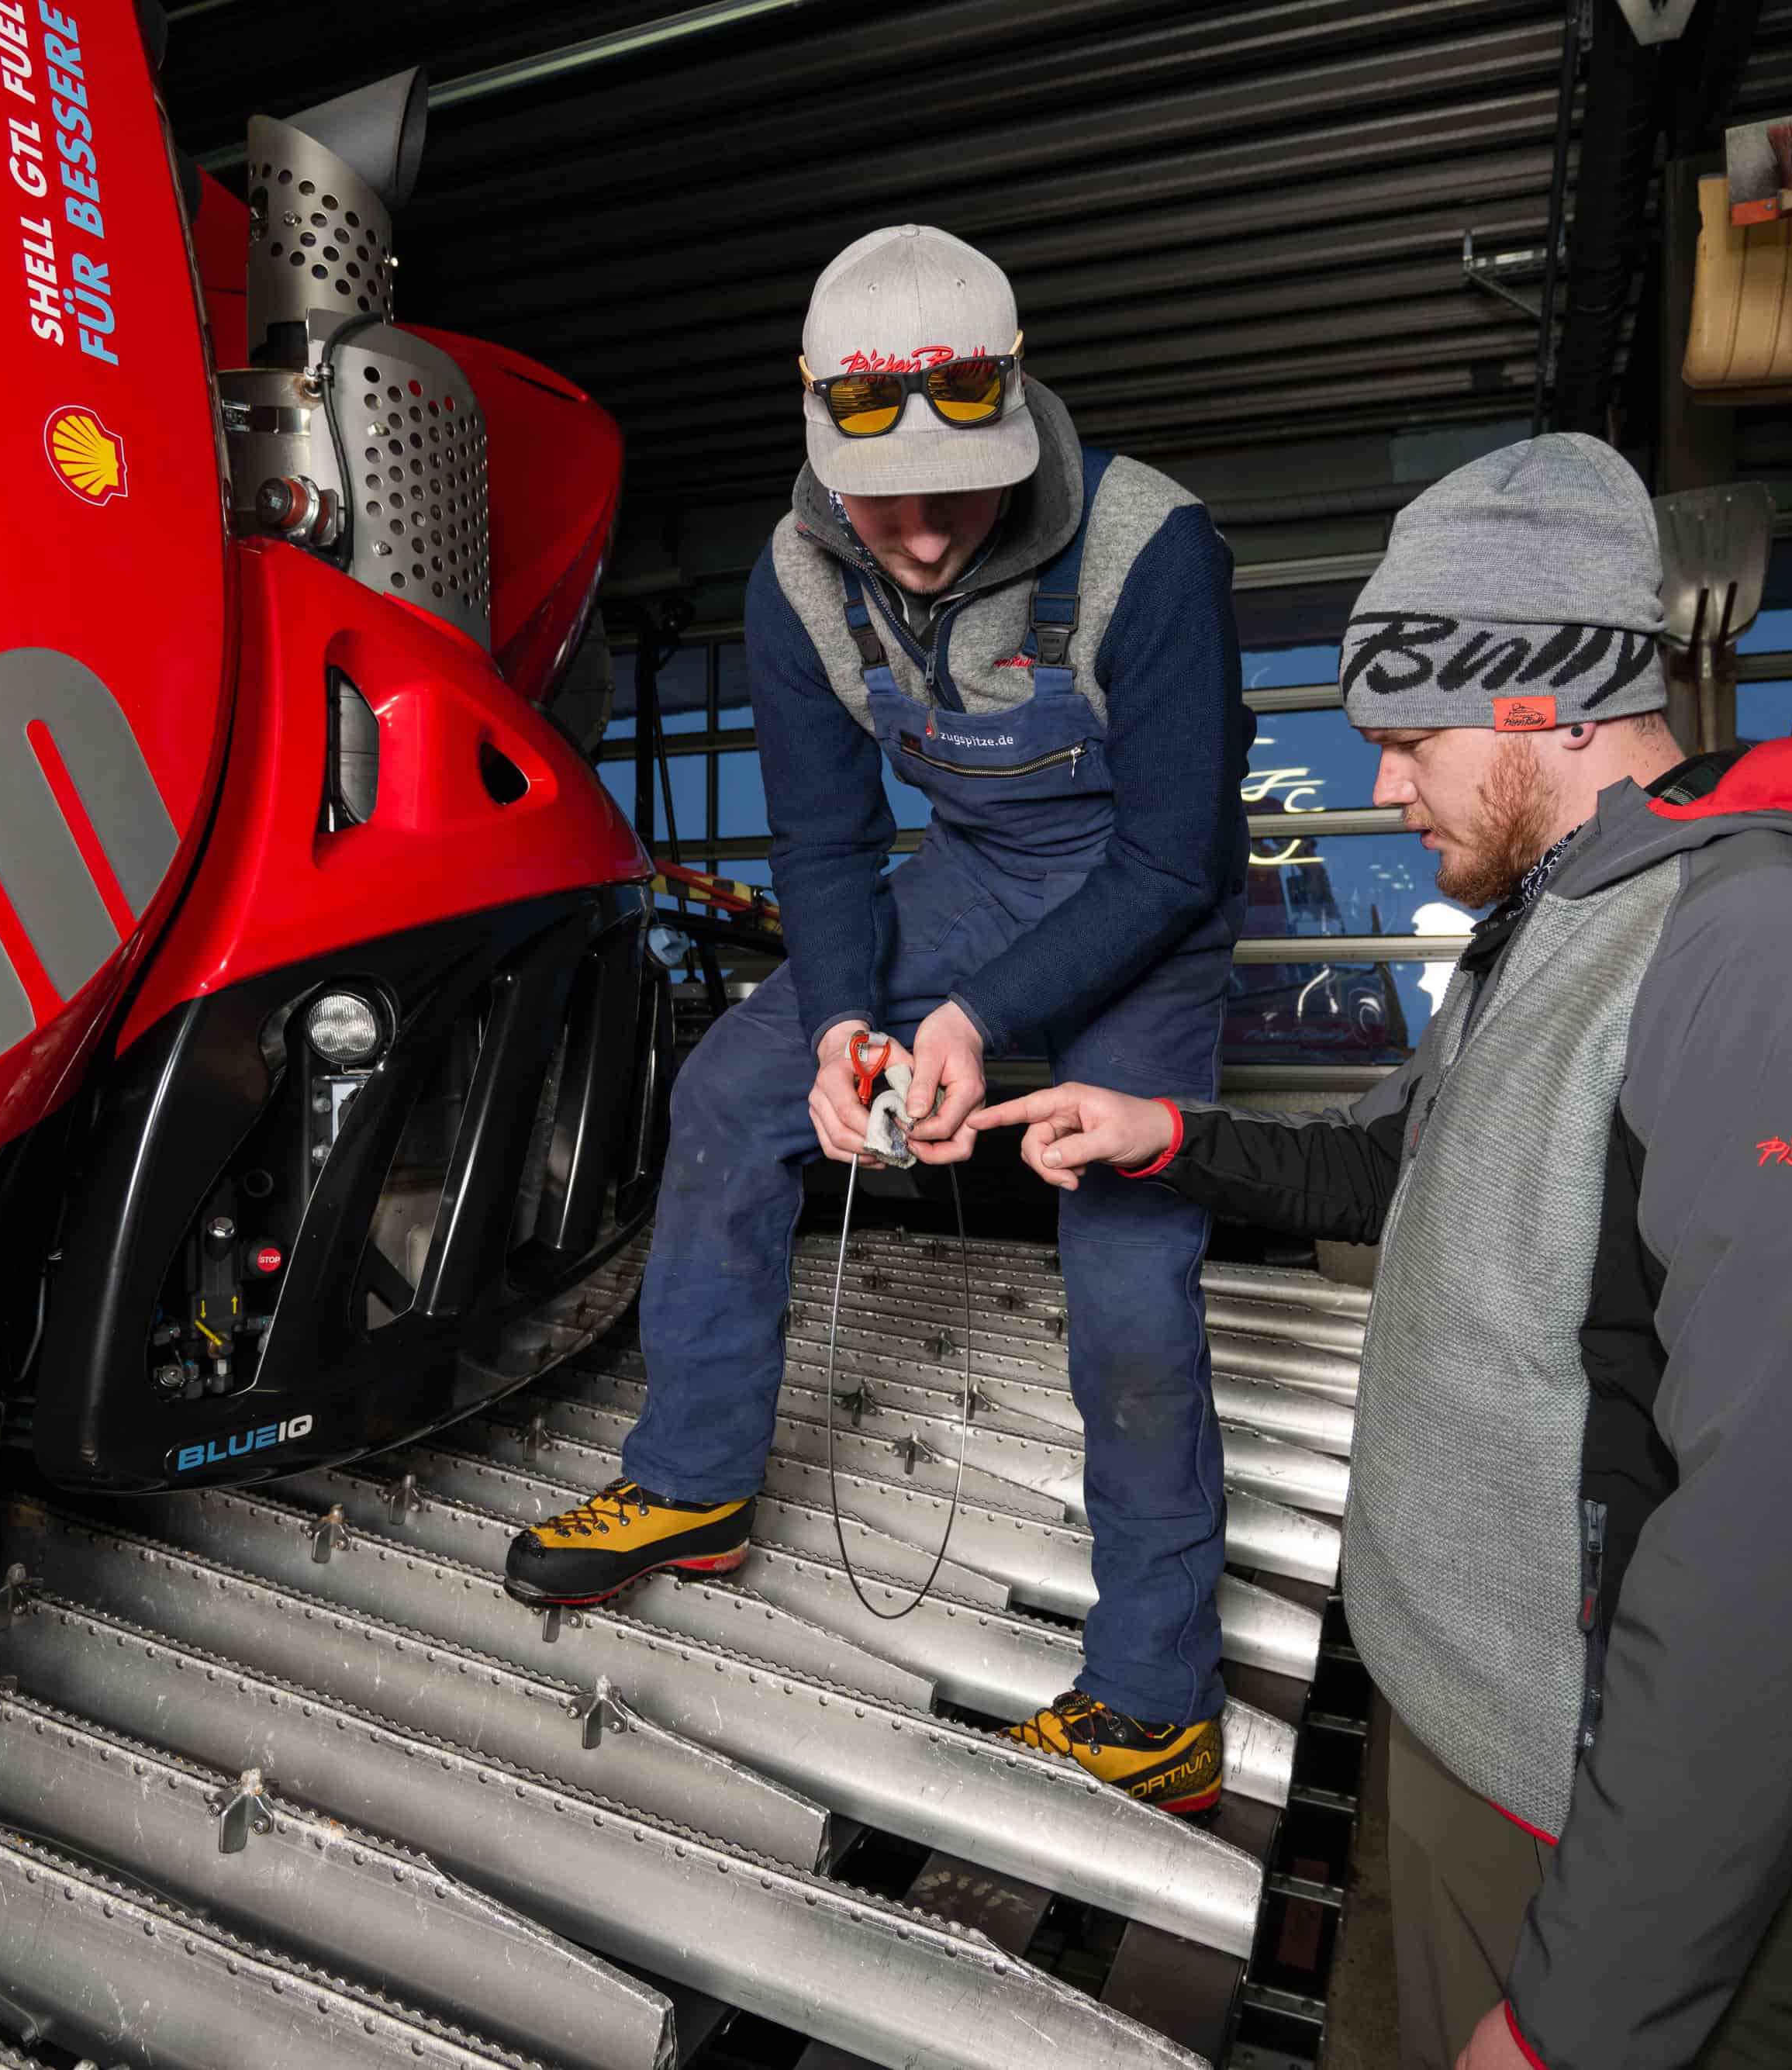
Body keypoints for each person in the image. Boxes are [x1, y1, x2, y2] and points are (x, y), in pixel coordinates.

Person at [975, 435, 1792, 2067]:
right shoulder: (1564, 913)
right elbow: (1406, 1161)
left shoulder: (1787, 955)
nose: (1386, 788)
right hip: (1487, 1736)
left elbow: (1784, 1551)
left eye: (1405, 739)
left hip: (1622, 1832)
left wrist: (1586, 2020)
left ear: (1537, 700)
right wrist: (1158, 1132)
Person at [500, 225, 1254, 1812]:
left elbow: (1174, 855)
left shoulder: (1146, 548)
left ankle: (1155, 1698)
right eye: (881, 498)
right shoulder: (793, 576)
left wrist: (981, 1017)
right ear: (814, 435)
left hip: (1141, 893)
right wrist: (850, 1025)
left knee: (1122, 1263)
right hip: (973, 873)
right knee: (732, 1091)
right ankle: (693, 1484)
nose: (915, 540)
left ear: (1017, 407)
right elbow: (831, 844)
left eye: (954, 494)